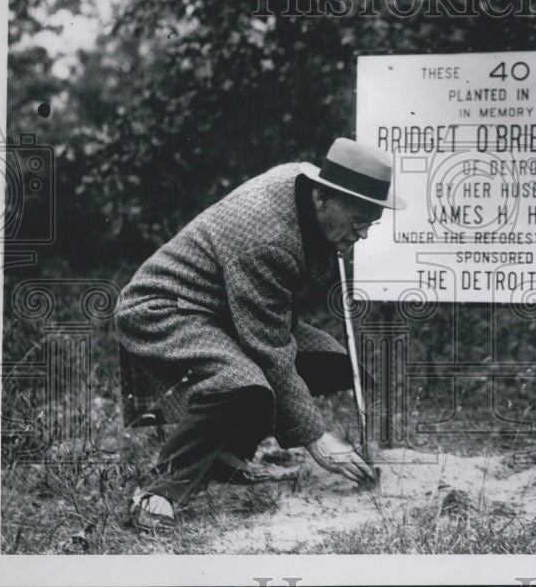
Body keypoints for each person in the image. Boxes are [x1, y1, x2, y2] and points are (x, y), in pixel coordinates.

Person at [116, 138, 405, 530]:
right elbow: (269, 349)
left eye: (369, 223)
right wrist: (317, 439)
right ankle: (158, 491)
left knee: (326, 360)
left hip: (222, 311)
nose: (363, 234)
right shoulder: (268, 236)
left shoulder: (301, 188)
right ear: (324, 199)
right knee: (241, 381)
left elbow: (278, 314)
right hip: (164, 307)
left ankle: (225, 458)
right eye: (357, 221)